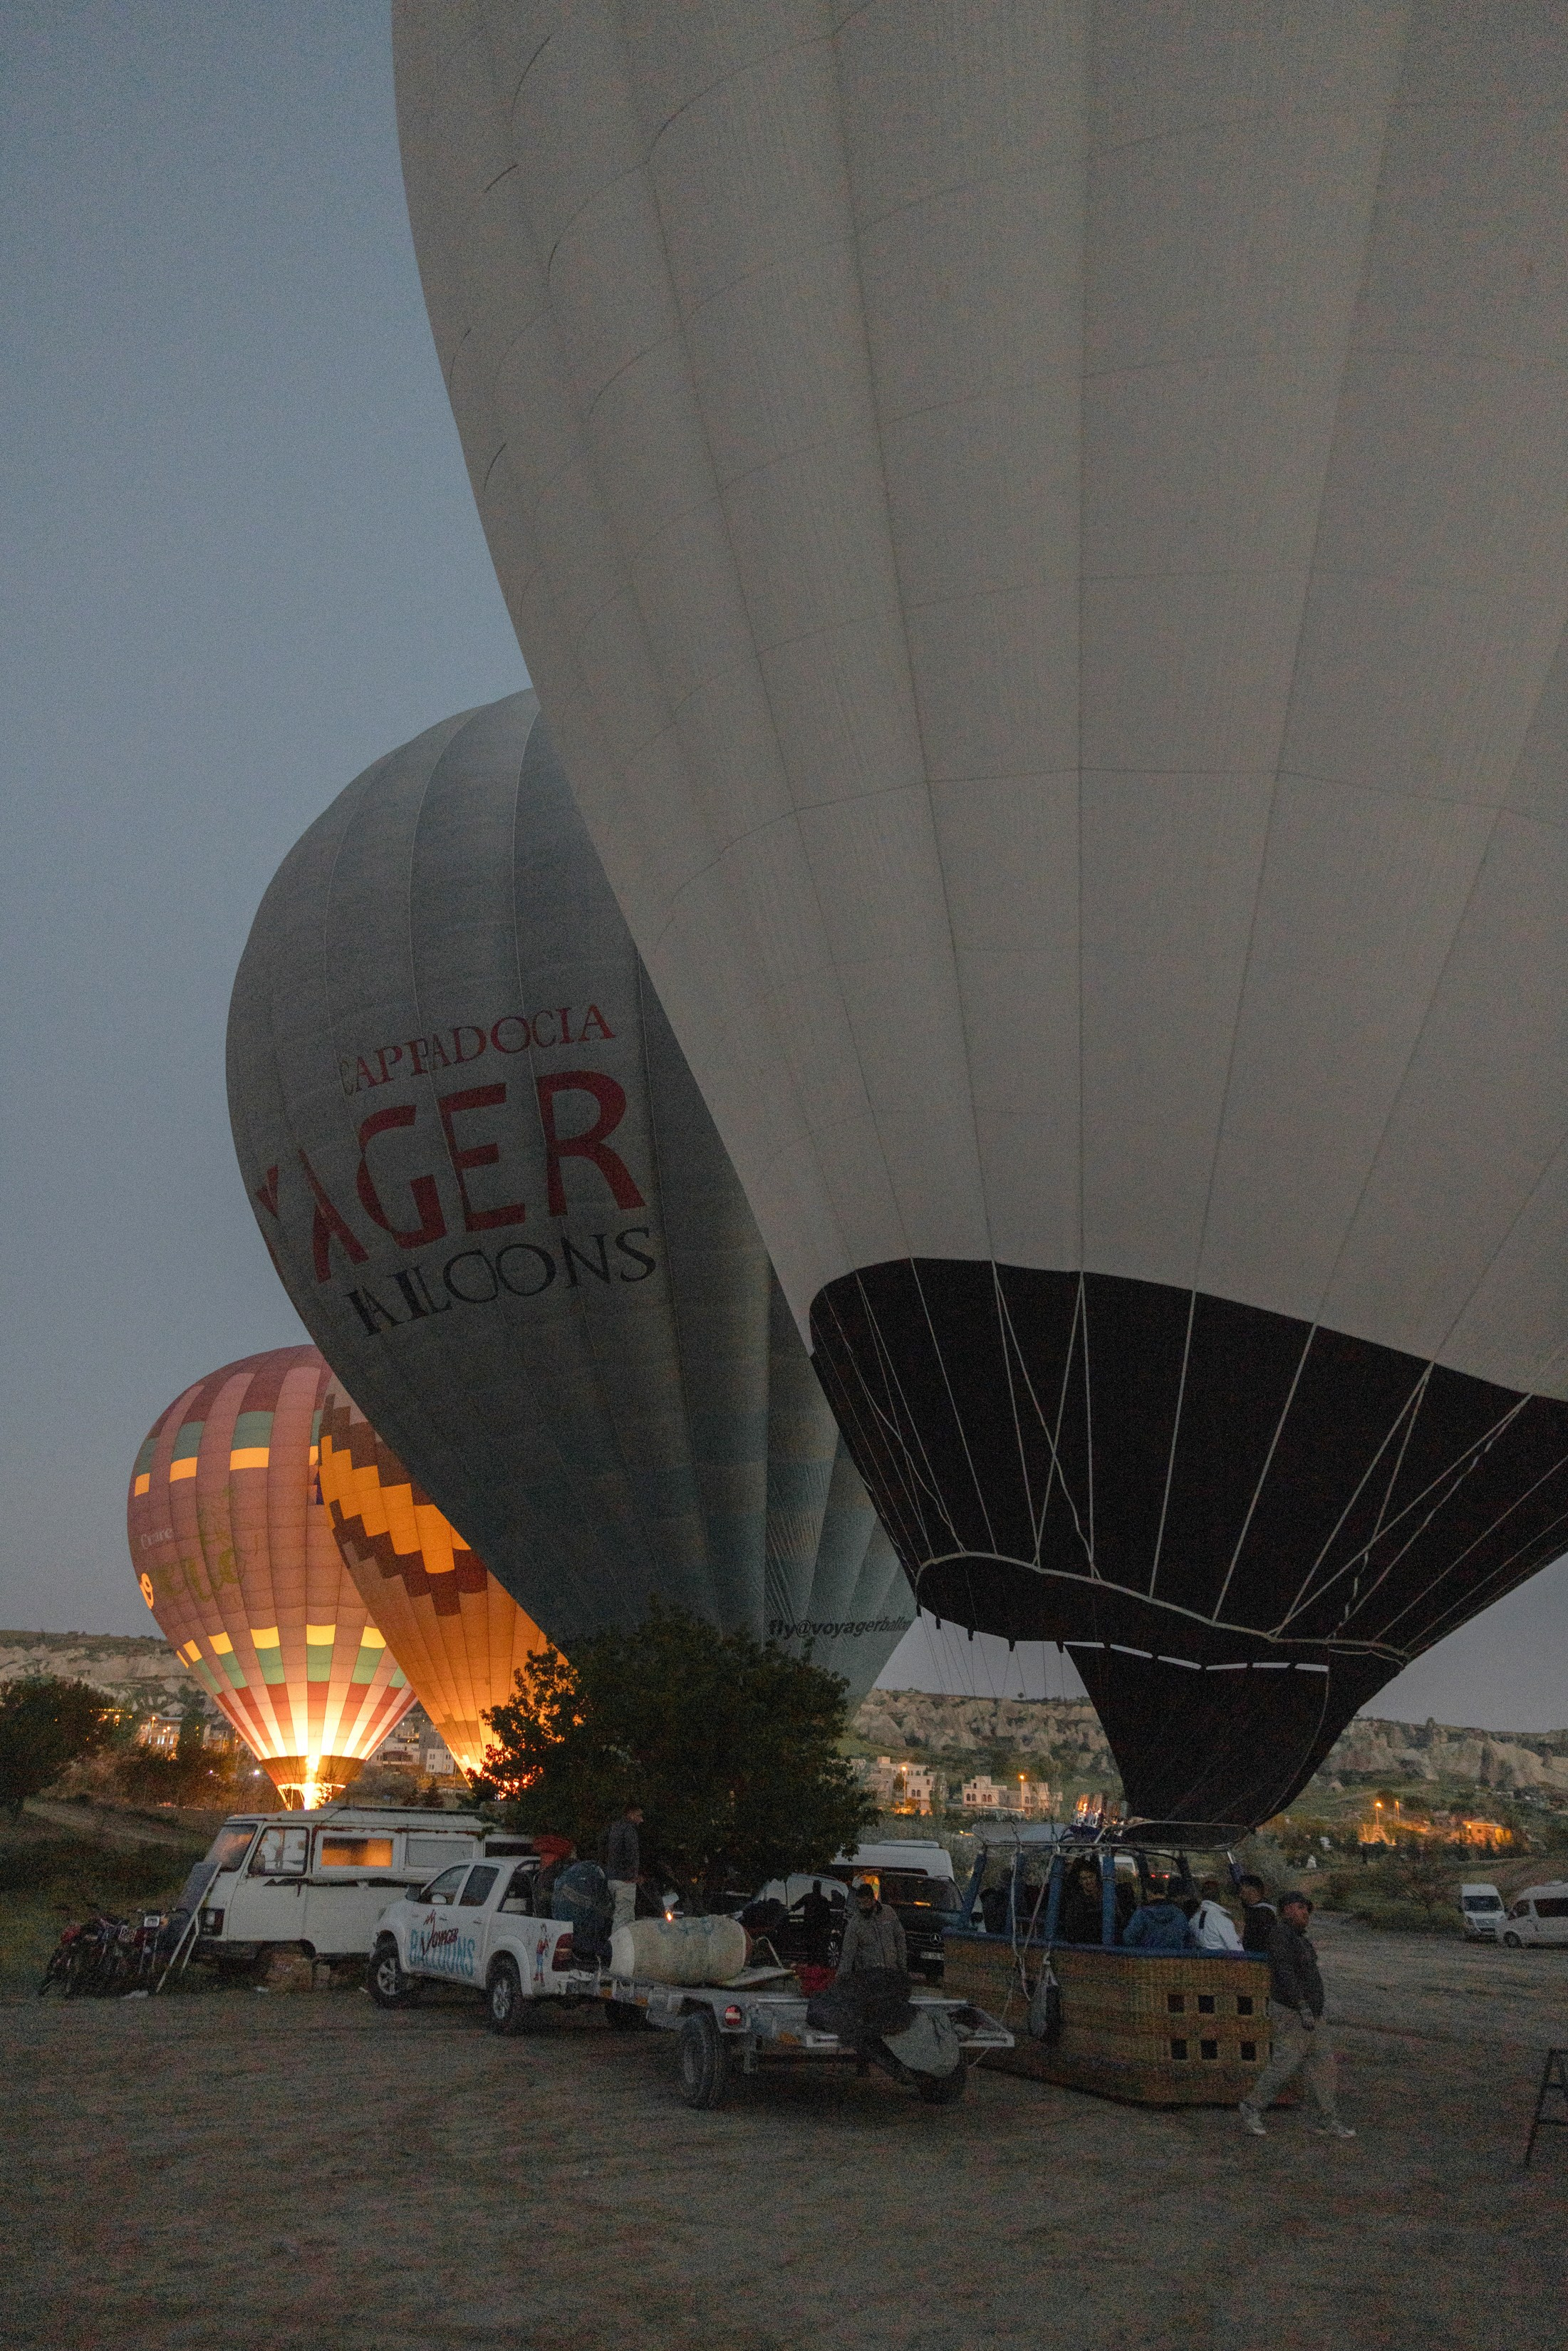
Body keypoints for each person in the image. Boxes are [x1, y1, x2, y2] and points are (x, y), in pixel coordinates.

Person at [1240, 1892, 1355, 2139]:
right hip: (1293, 2013)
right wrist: (1302, 2006)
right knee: (1285, 2064)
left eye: (1307, 1909)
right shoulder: (1282, 1936)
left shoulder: (1298, 1938)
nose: (1306, 1913)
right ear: (1287, 1910)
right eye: (1301, 1908)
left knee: (1324, 2066)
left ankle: (1329, 2119)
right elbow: (1284, 1972)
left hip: (1308, 2013)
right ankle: (1252, 2106)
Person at [836, 1877, 908, 1980]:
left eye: (865, 1902)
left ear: (873, 1899)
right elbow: (848, 1953)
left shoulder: (888, 1913)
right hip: (868, 1976)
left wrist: (902, 1967)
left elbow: (900, 1939)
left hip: (891, 1972)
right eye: (859, 1903)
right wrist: (841, 1978)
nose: (862, 1907)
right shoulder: (856, 1922)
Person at [1122, 1875, 1197, 1953]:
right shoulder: (1179, 1914)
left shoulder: (1142, 1914)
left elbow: (1129, 1938)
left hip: (1146, 1960)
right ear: (1164, 1893)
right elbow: (1189, 1940)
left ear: (1149, 1893)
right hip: (1173, 1961)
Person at [605, 1802, 644, 1933]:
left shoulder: (614, 1827)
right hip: (624, 1882)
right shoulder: (629, 1830)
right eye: (638, 1816)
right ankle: (618, 1950)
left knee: (614, 1915)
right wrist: (632, 1876)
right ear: (631, 1814)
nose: (641, 1820)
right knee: (624, 1919)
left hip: (612, 1878)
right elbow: (633, 1854)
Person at [1192, 1877, 1244, 1953]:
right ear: (1221, 1897)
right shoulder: (1221, 1919)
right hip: (1222, 1962)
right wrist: (1239, 1933)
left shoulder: (1194, 1918)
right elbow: (1238, 1951)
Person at [1060, 1859, 1104, 1946]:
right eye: (1084, 1879)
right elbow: (1072, 1931)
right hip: (1086, 1945)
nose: (1089, 1881)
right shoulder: (1077, 1902)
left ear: (1095, 1876)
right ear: (1080, 1882)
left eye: (1091, 1877)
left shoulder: (1106, 1897)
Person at [1237, 1873, 1277, 1955]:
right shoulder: (1259, 1911)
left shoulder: (1262, 1914)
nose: (1240, 1895)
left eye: (1243, 1891)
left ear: (1253, 1892)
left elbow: (1257, 1942)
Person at [799, 1879, 836, 1966]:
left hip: (811, 1926)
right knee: (817, 1947)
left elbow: (797, 1905)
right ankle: (817, 1963)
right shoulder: (823, 1899)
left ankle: (812, 1962)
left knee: (812, 1946)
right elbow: (828, 1915)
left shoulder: (808, 1897)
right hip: (818, 1927)